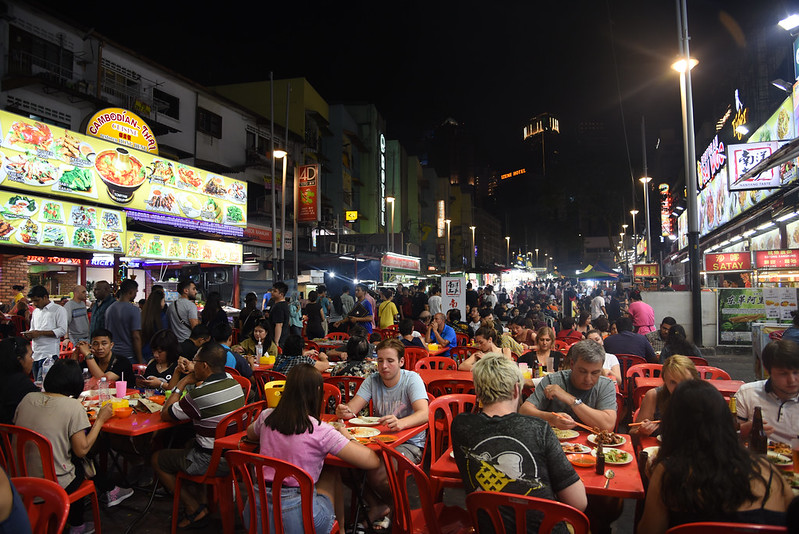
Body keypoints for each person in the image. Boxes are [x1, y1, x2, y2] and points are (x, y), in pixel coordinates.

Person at [451, 355, 587, 533]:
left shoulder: (460, 426)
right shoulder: (538, 428)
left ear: (478, 392)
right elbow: (579, 503)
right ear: (516, 390)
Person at [637, 380, 793, 533]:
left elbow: (648, 529)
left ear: (673, 425)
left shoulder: (668, 473)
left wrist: (653, 480)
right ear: (725, 421)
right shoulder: (767, 470)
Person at [246, 364, 380, 534]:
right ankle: (341, 529)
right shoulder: (320, 430)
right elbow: (371, 461)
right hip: (298, 519)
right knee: (331, 471)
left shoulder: (267, 416)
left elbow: (250, 434)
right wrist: (347, 435)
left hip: (255, 512)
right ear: (318, 391)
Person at [14, 359, 133, 533]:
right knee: (81, 461)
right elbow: (82, 449)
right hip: (51, 484)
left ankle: (110, 490)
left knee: (77, 459)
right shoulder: (72, 406)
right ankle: (78, 525)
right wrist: (100, 419)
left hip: (19, 475)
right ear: (77, 383)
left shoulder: (28, 398)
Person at [335, 339, 428, 529]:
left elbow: (425, 413)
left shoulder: (412, 379)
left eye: (390, 361)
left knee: (376, 473)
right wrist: (343, 411)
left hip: (409, 444)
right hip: (377, 441)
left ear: (401, 362)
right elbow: (353, 409)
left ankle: (397, 507)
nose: (384, 366)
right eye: (380, 361)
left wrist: (401, 423)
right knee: (341, 467)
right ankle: (379, 505)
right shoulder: (372, 379)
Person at [152, 342, 246, 529]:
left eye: (195, 361)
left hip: (212, 460)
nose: (193, 365)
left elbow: (166, 413)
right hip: (234, 454)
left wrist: (183, 381)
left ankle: (193, 506)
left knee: (157, 459)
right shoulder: (232, 381)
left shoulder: (199, 395)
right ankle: (203, 501)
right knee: (189, 442)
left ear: (204, 366)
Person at [520, 340, 617, 431]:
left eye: (595, 373)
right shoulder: (553, 380)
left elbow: (608, 426)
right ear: (572, 364)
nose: (588, 379)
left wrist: (571, 400)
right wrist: (551, 418)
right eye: (582, 371)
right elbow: (524, 411)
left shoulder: (605, 385)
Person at [735, 339, 799, 444]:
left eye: (796, 372)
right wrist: (743, 431)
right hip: (756, 457)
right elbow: (725, 438)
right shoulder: (747, 393)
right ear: (767, 370)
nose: (792, 380)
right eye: (783, 373)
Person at [633, 355, 699, 437]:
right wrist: (642, 432)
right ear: (665, 382)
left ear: (694, 379)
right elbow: (633, 436)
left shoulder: (704, 398)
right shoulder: (654, 396)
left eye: (684, 381)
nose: (679, 387)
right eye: (672, 382)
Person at [22, 285, 67, 383]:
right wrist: (29, 334)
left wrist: (40, 333)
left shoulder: (58, 310)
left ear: (45, 297)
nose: (34, 303)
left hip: (49, 354)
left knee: (44, 384)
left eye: (37, 300)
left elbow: (62, 330)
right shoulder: (36, 312)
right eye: (33, 301)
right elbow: (33, 329)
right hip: (35, 353)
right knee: (37, 383)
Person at [104, 279, 143, 365]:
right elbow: (136, 336)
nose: (136, 294)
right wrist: (140, 360)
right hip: (128, 354)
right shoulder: (134, 310)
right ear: (131, 291)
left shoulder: (109, 309)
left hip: (112, 353)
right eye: (136, 292)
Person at [0, 337, 36, 425]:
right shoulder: (22, 384)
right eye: (30, 356)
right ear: (19, 360)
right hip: (13, 435)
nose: (32, 360)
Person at [167, 279, 200, 343]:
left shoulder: (171, 305)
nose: (196, 292)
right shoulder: (191, 306)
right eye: (193, 289)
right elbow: (195, 327)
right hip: (187, 342)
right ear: (186, 291)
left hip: (174, 342)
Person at [140, 288, 168, 362]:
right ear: (160, 301)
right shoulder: (161, 317)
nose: (164, 303)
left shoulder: (144, 315)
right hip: (157, 352)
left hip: (144, 351)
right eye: (163, 301)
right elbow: (164, 335)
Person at [264, 281, 291, 348]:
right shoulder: (283, 304)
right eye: (272, 290)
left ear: (281, 294)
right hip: (283, 337)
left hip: (279, 340)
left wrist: (276, 342)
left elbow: (279, 325)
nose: (272, 292)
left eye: (275, 291)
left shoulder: (279, 306)